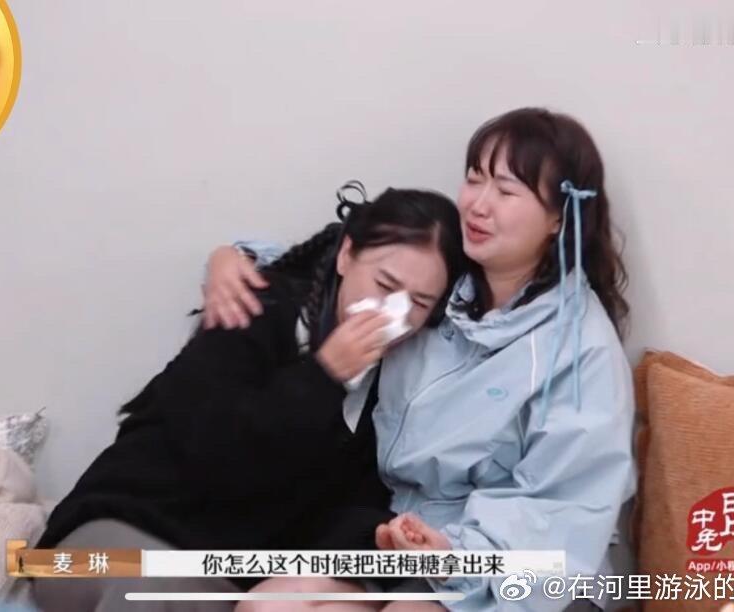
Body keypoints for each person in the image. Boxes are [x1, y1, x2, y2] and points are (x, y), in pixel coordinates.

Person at [203, 107, 637, 611]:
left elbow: (563, 508)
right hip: (398, 538)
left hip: (520, 569)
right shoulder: (442, 280)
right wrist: (235, 258)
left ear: (558, 216)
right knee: (269, 604)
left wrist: (454, 554)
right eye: (474, 178)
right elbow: (348, 260)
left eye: (505, 190)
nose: (478, 204)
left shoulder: (581, 351)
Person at [31, 186, 467, 612]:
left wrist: (380, 539)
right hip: (123, 529)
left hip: (222, 572)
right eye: (385, 284)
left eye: (419, 303)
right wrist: (324, 375)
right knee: (154, 590)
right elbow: (214, 456)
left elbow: (342, 508)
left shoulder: (395, 386)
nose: (393, 314)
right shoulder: (255, 310)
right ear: (346, 255)